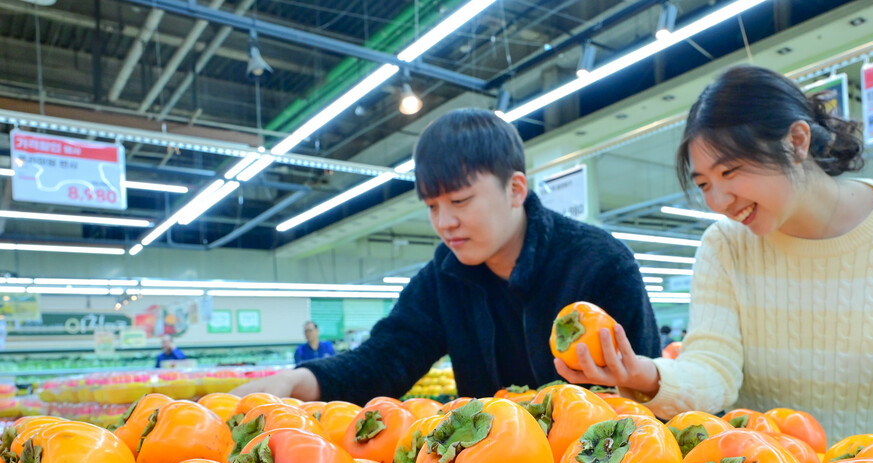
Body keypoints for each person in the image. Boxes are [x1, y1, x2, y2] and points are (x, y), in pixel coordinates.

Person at [556, 65, 873, 440]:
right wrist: (643, 375)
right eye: (705, 184)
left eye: (730, 171)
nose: (719, 201)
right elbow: (714, 369)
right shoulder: (725, 247)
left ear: (797, 141)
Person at [234, 108, 659, 403]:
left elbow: (647, 388)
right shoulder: (443, 278)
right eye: (432, 206)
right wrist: (296, 381)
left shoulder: (600, 264)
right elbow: (384, 359)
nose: (445, 222)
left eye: (459, 200)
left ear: (515, 189)